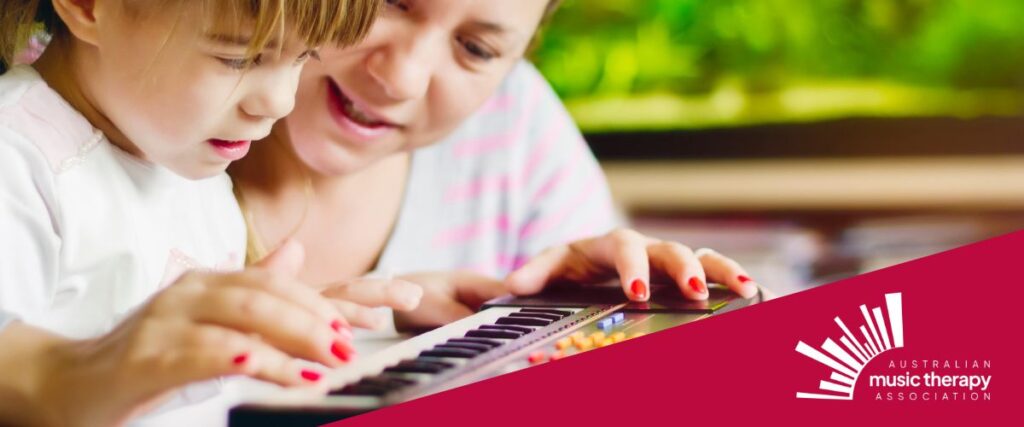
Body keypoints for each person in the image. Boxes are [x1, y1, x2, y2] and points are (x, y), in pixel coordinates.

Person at [229, 0, 762, 333]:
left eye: (476, 48)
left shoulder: (515, 124)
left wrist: (619, 316)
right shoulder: (166, 121)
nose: (401, 79)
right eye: (388, 0)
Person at [0, 0, 385, 425]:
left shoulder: (183, 158)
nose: (279, 102)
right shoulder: (18, 155)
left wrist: (276, 327)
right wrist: (89, 374)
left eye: (304, 57)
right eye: (237, 58)